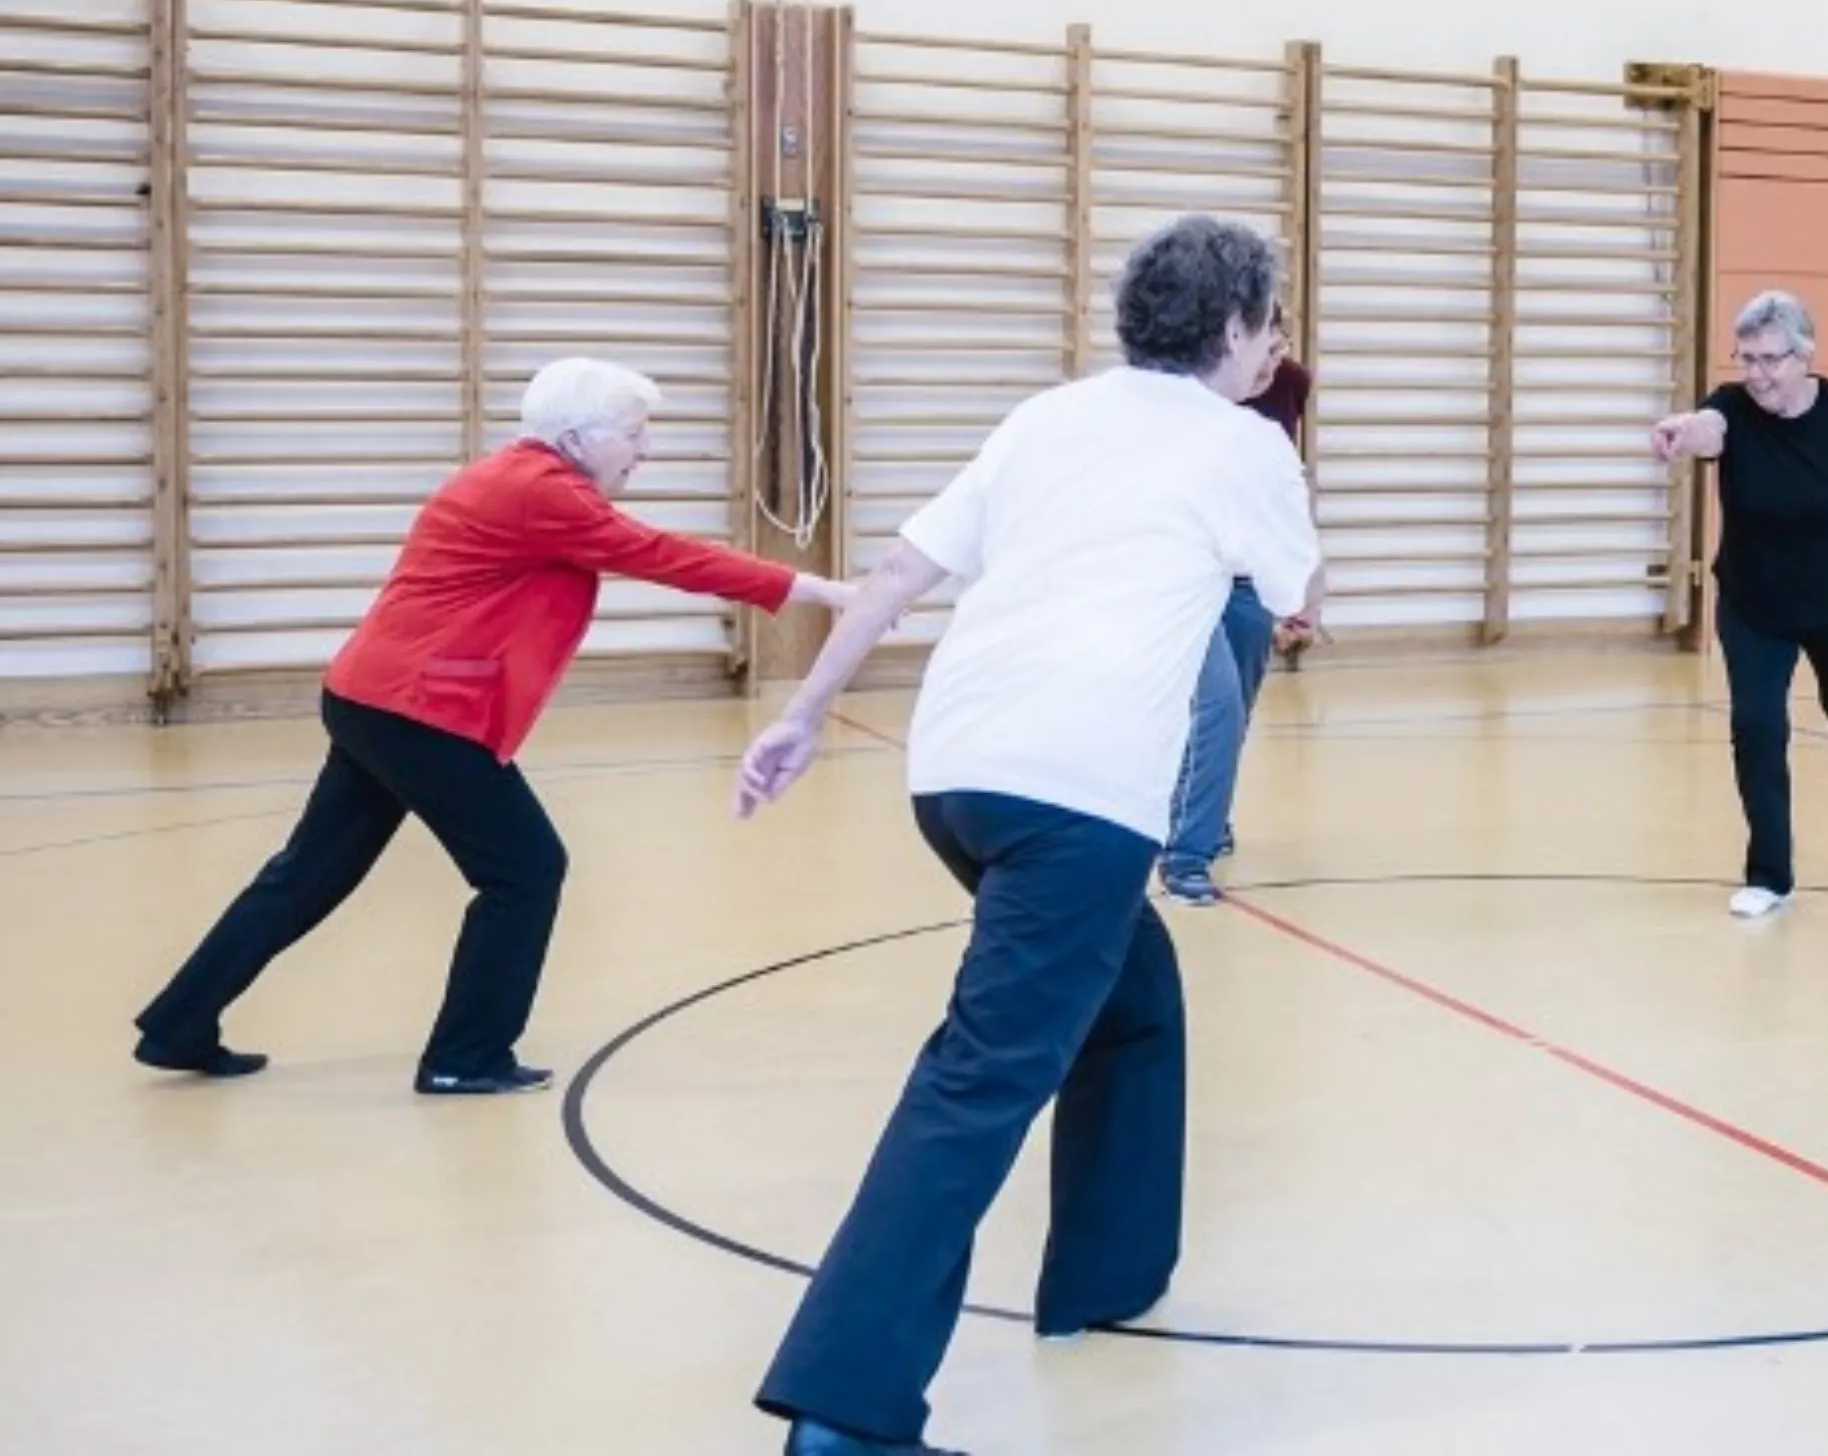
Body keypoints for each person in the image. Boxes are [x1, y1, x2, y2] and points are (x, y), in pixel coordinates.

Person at [733, 214, 1322, 1456]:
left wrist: (803, 710)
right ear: (1232, 328)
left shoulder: (1049, 416)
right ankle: (844, 1412)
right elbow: (1293, 596)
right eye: (1268, 324)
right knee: (979, 1080)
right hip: (1077, 798)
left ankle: (1106, 1275)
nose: (1274, 345)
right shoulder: (1243, 445)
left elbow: (899, 575)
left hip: (957, 776)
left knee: (1135, 1000)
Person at [131, 357, 848, 1095]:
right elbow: (667, 556)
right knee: (525, 870)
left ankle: (179, 1023)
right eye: (635, 434)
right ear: (578, 437)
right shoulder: (543, 492)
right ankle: (464, 1057)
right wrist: (821, 590)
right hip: (418, 711)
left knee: (308, 874)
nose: (647, 450)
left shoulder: (522, 477)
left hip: (374, 698)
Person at [1651, 289, 1828, 918]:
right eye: (1746, 359)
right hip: (1754, 602)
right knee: (1756, 726)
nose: (1757, 374)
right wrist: (1680, 430)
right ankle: (1770, 875)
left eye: (1770, 359)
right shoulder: (1732, 408)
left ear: (1804, 357)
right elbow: (1708, 429)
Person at [1155, 342, 1316, 905]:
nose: (1272, 360)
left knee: (1235, 709)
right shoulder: (1179, 399)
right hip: (1186, 583)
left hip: (1247, 582)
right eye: (1263, 346)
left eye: (1280, 347)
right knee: (1216, 705)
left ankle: (1207, 814)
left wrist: (1302, 594)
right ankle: (1185, 853)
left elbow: (1288, 505)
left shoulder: (1289, 387)